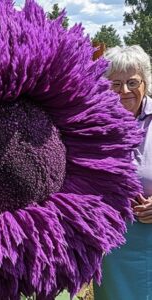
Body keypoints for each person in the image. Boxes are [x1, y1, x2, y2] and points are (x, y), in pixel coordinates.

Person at [94, 45, 152, 299]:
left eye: (132, 82)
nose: (125, 91)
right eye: (115, 84)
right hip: (112, 243)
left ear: (145, 82)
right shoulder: (93, 122)